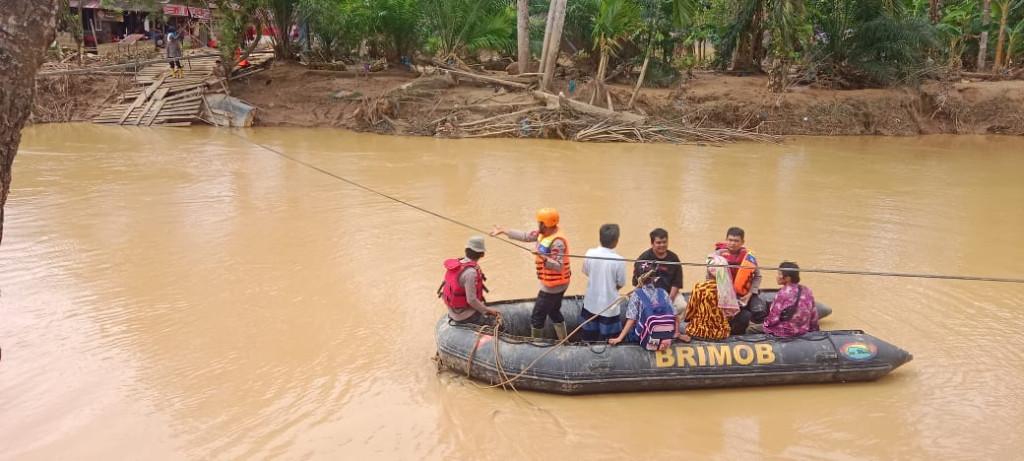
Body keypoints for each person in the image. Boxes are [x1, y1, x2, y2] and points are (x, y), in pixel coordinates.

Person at [491, 207, 571, 340]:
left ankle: (536, 345)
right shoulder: (543, 233)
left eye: (540, 222)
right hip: (556, 284)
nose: (538, 224)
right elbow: (526, 236)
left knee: (537, 317)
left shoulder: (557, 242)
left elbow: (558, 266)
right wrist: (504, 231)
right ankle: (564, 340)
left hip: (553, 286)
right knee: (554, 312)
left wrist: (542, 256)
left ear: (545, 224)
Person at [608, 263, 677, 348]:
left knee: (629, 332)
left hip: (644, 336)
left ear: (637, 278)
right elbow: (674, 314)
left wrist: (619, 338)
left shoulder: (637, 294)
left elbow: (631, 319)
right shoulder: (663, 292)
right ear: (654, 279)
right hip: (664, 334)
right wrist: (677, 334)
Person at [678, 255, 743, 341]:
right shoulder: (728, 289)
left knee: (678, 325)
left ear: (709, 271)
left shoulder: (700, 287)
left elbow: (690, 312)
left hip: (700, 332)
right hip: (722, 333)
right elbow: (730, 315)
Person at [439, 236, 501, 326]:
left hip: (453, 311)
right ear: (482, 254)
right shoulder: (470, 273)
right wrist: (488, 311)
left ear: (466, 250)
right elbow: (471, 300)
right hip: (464, 315)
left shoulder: (457, 265)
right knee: (497, 323)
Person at [714, 227, 766, 334]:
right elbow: (709, 277)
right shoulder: (718, 255)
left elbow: (758, 277)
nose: (732, 243)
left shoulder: (749, 257)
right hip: (725, 294)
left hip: (746, 292)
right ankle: (734, 333)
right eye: (730, 240)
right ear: (726, 240)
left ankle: (754, 333)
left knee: (760, 309)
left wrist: (750, 294)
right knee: (743, 315)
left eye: (736, 241)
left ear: (742, 242)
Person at [579, 224, 626, 342]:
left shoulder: (590, 253)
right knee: (608, 340)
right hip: (609, 306)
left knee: (588, 338)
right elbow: (621, 283)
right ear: (616, 241)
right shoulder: (619, 260)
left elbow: (585, 271)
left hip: (590, 303)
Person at [750, 262, 820, 337]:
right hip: (803, 329)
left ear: (787, 278)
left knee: (750, 329)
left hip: (786, 332)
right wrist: (815, 331)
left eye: (779, 274)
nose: (777, 277)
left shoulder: (783, 294)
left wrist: (765, 325)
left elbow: (773, 319)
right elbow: (814, 315)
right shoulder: (807, 290)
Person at [632, 228, 683, 302]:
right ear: (652, 244)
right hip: (648, 295)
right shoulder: (643, 259)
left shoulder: (674, 259)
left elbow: (676, 283)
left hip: (669, 294)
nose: (662, 245)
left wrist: (669, 301)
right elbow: (638, 283)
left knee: (682, 306)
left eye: (664, 242)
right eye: (658, 243)